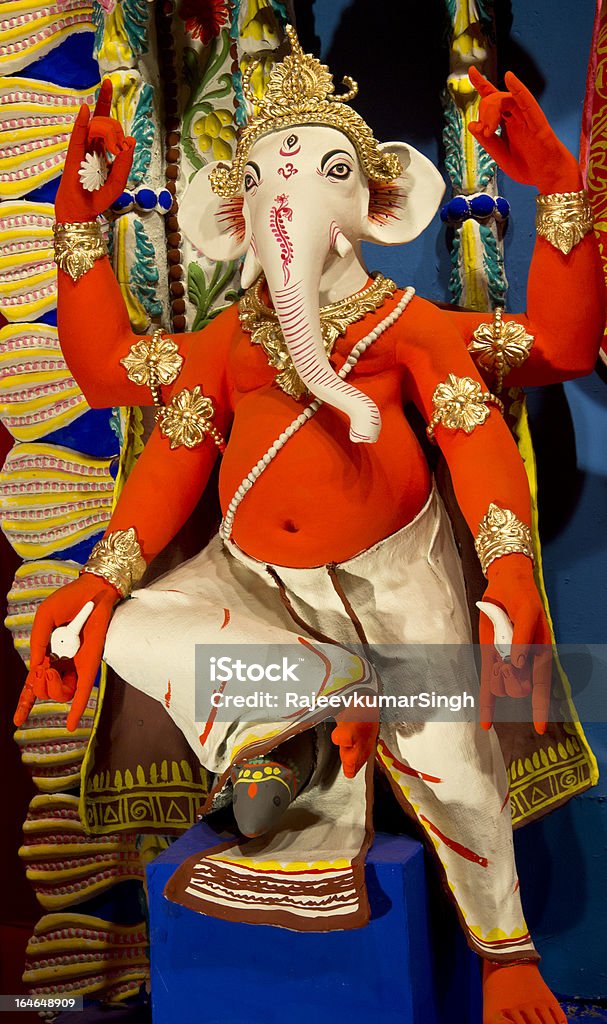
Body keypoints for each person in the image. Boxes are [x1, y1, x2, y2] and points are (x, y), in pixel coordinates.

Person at [15, 30, 605, 1024]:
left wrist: (556, 189)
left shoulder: (411, 330)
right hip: (258, 584)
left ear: (375, 206)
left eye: (327, 170)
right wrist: (78, 218)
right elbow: (119, 384)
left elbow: (550, 355)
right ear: (230, 216)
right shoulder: (221, 346)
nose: (283, 197)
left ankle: (505, 951)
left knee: (459, 758)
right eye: (258, 178)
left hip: (398, 574)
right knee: (113, 627)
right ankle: (321, 702)